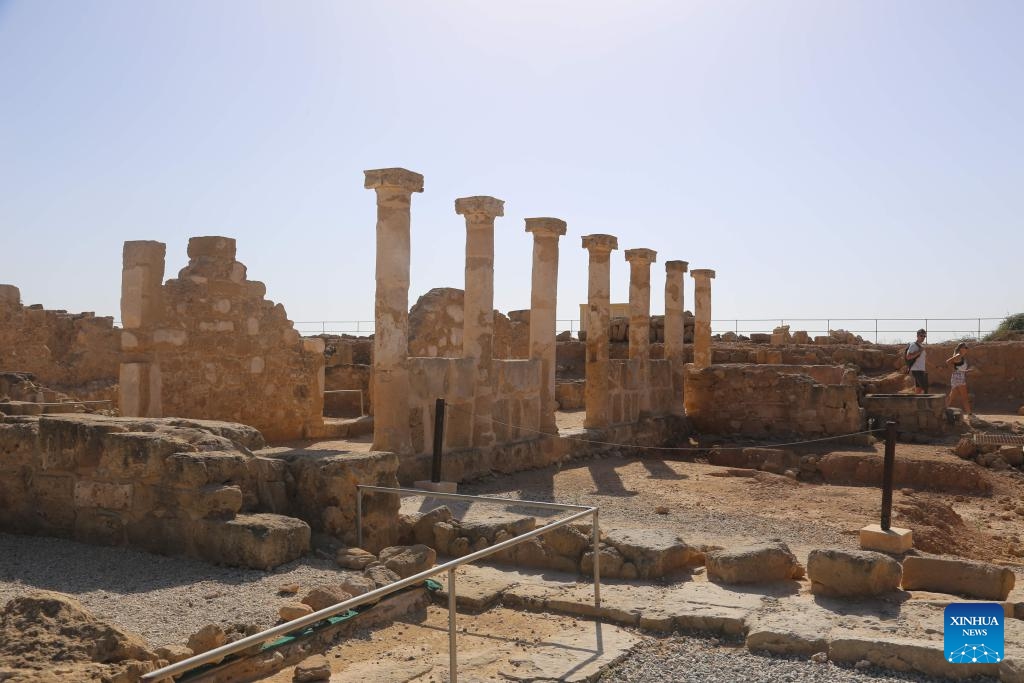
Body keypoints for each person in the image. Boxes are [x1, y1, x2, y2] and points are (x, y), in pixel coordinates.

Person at [946, 342, 972, 416]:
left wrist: (965, 371)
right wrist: (953, 369)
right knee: (965, 397)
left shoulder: (961, 357)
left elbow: (958, 368)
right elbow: (947, 361)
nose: (966, 349)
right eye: (965, 348)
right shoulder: (958, 355)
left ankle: (943, 409)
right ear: (961, 348)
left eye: (967, 348)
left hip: (956, 377)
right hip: (959, 378)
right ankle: (970, 414)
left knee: (951, 396)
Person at [906, 329, 928, 394]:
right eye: (921, 336)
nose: (923, 337)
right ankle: (926, 403)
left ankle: (916, 403)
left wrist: (935, 366)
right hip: (916, 370)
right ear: (917, 336)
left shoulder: (921, 346)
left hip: (921, 370)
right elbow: (908, 356)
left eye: (924, 336)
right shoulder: (913, 345)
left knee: (918, 389)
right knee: (925, 389)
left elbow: (924, 360)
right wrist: (919, 351)